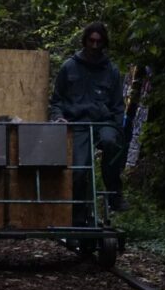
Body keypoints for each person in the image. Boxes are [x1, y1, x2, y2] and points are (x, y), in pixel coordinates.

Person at [49, 22, 128, 220]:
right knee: (79, 169)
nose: (94, 45)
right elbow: (57, 99)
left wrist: (117, 126)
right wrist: (58, 117)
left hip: (103, 122)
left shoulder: (111, 70)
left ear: (103, 43)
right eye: (91, 41)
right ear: (85, 41)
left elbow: (118, 104)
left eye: (98, 42)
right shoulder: (69, 67)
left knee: (112, 144)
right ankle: (78, 213)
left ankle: (114, 194)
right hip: (77, 124)